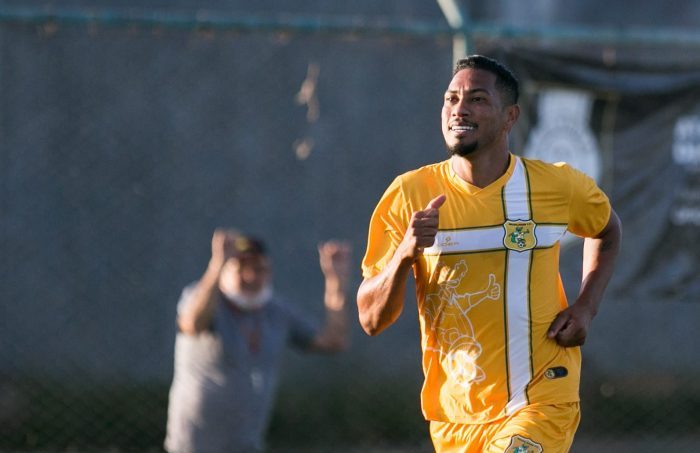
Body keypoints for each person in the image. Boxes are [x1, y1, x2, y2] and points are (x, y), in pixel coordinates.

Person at [357, 55, 622, 453]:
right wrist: (404, 255)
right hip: (455, 416)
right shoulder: (408, 194)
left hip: (541, 398)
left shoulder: (556, 186)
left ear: (510, 116)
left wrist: (586, 306)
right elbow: (371, 319)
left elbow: (607, 229)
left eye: (477, 99)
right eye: (451, 98)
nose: (459, 109)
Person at [164, 229, 351, 453]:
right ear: (224, 270)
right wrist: (217, 265)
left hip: (247, 445)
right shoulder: (204, 299)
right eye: (241, 268)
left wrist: (336, 282)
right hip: (194, 445)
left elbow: (333, 341)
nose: (251, 277)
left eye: (260, 269)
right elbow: (192, 324)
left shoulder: (276, 311)